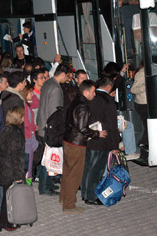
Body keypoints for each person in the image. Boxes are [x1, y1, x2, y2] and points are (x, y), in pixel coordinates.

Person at [60, 80, 107, 214]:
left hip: (68, 139)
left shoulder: (76, 101)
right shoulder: (83, 106)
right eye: (93, 92)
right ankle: (69, 205)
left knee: (68, 171)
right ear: (86, 92)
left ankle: (63, 198)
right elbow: (82, 128)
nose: (94, 94)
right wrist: (97, 133)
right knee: (74, 175)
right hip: (76, 143)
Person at [82, 76, 120, 205]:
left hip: (88, 137)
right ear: (109, 87)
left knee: (88, 167)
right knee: (96, 170)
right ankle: (91, 196)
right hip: (101, 140)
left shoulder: (90, 97)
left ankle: (85, 193)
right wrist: (115, 144)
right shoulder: (108, 102)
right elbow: (112, 125)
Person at [36, 63, 70, 196]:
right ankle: (44, 187)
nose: (66, 80)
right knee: (48, 158)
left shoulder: (47, 83)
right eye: (66, 77)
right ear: (62, 74)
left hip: (43, 123)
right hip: (49, 128)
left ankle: (48, 184)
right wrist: (57, 129)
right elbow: (55, 113)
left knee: (47, 156)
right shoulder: (56, 89)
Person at [0, 106, 26, 232]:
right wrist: (18, 176)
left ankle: (7, 221)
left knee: (7, 196)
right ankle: (6, 222)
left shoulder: (6, 129)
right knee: (9, 198)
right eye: (23, 116)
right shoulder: (14, 133)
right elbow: (15, 156)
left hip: (4, 167)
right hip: (10, 170)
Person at [131, 63, 149, 163]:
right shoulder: (141, 73)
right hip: (143, 104)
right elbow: (133, 89)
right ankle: (143, 148)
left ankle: (144, 150)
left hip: (148, 104)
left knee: (148, 128)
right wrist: (144, 87)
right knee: (148, 128)